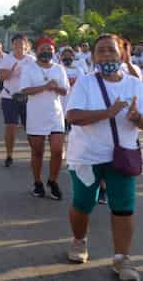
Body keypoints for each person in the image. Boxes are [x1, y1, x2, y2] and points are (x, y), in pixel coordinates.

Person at [65, 34, 143, 281]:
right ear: (94, 57)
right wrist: (108, 113)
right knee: (83, 204)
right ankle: (79, 241)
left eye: (111, 50)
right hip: (87, 157)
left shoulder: (135, 84)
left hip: (122, 156)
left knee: (123, 208)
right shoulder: (85, 83)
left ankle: (122, 259)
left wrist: (137, 119)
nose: (106, 56)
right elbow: (73, 116)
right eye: (101, 52)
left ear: (122, 53)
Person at [18, 36, 69, 200]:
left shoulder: (59, 69)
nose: (46, 52)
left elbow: (65, 90)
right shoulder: (29, 69)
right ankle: (37, 182)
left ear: (54, 52)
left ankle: (52, 181)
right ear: (37, 51)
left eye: (50, 49)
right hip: (36, 115)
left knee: (57, 150)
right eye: (43, 49)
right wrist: (45, 87)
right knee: (38, 151)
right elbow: (24, 90)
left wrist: (56, 87)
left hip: (55, 114)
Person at [0, 34, 34, 167]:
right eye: (16, 44)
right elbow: (1, 77)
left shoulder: (32, 60)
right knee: (10, 127)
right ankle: (9, 155)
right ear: (13, 46)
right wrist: (11, 72)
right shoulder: (7, 59)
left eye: (22, 44)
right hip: (9, 97)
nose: (19, 47)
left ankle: (34, 155)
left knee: (30, 128)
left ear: (27, 46)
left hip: (27, 98)